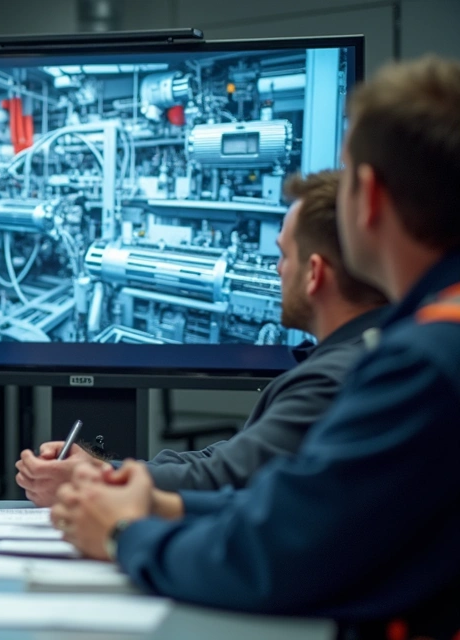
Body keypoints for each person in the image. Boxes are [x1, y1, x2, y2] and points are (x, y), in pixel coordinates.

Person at [51, 55, 460, 638]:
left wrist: (123, 534)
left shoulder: (425, 360)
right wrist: (166, 506)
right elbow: (303, 506)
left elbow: (279, 554)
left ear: (367, 197)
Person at [16, 170, 387, 501]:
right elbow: (229, 461)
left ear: (314, 273)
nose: (276, 271)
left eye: (283, 257)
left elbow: (225, 478)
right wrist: (100, 472)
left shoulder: (334, 381)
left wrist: (112, 520)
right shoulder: (348, 361)